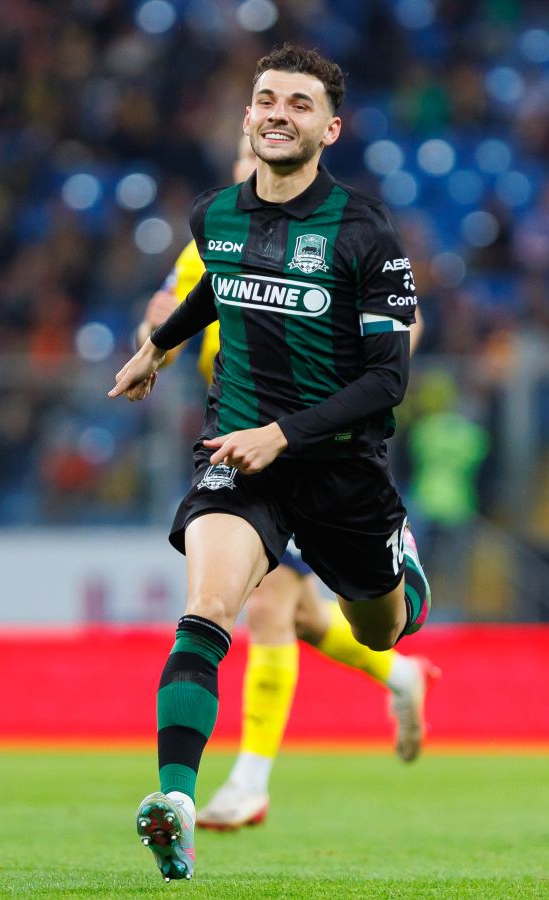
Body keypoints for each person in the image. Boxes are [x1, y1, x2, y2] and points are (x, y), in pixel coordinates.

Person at [109, 44, 430, 882]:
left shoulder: (365, 233)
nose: (277, 113)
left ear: (330, 128)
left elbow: (389, 380)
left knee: (380, 627)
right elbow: (217, 285)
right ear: (248, 116)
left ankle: (400, 580)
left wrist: (285, 433)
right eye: (265, 99)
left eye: (298, 103)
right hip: (239, 452)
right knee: (211, 609)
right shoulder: (214, 215)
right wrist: (157, 347)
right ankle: (178, 802)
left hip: (340, 466)